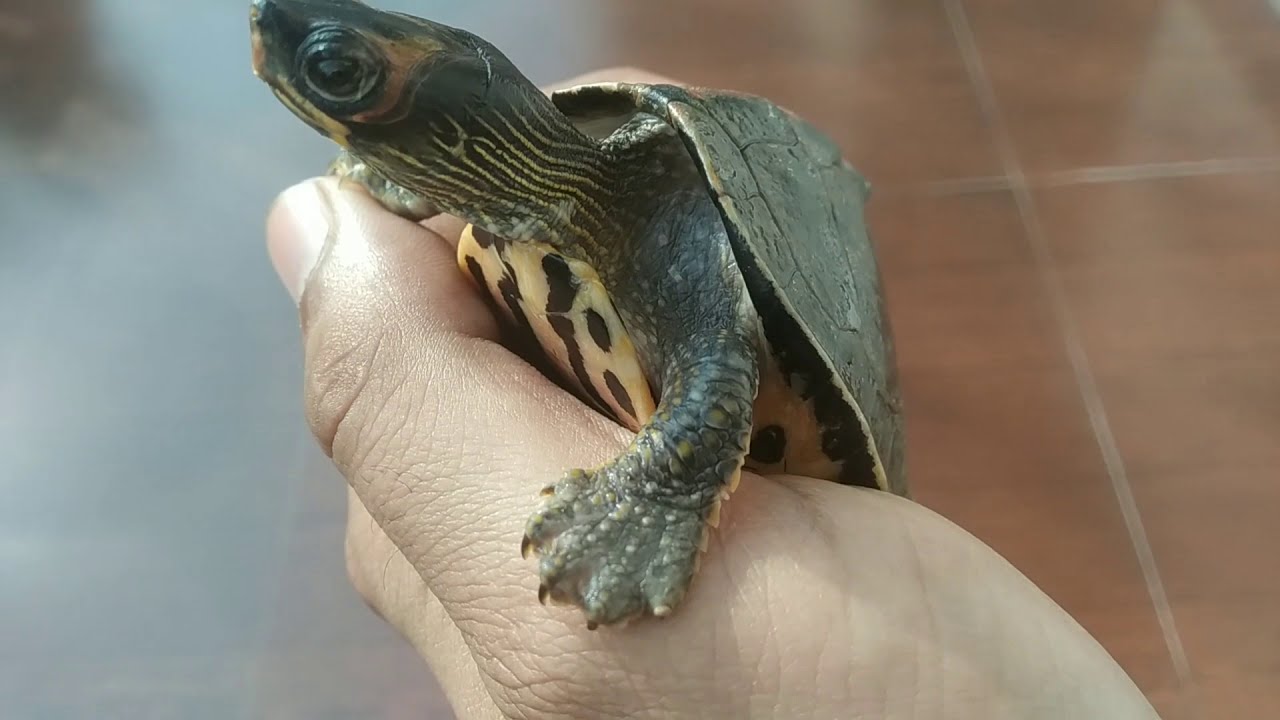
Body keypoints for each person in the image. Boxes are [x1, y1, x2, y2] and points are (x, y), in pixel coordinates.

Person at [263, 68, 1162, 720]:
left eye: (343, 74)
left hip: (781, 460)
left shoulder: (659, 209)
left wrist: (654, 496)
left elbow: (724, 374)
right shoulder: (545, 181)